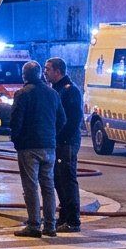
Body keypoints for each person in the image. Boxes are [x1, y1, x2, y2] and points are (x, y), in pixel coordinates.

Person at [9, 60, 67, 238]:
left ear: (24, 76)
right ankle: (50, 226)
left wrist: (16, 140)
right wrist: (51, 135)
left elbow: (15, 122)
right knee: (48, 186)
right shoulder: (53, 93)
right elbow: (62, 119)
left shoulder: (22, 94)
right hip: (49, 146)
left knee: (31, 186)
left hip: (29, 146)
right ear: (40, 74)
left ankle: (34, 224)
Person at [45, 57, 83, 233]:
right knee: (58, 180)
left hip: (66, 142)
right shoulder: (56, 89)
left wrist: (62, 138)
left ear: (57, 71)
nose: (45, 72)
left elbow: (74, 120)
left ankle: (73, 220)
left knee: (67, 180)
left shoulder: (70, 91)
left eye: (48, 69)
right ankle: (64, 216)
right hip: (58, 141)